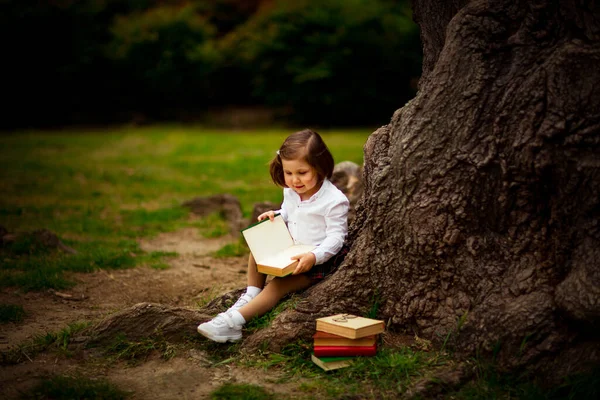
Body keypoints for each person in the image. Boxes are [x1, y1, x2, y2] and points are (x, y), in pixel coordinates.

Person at [197, 129, 350, 342]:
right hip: (292, 249)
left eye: (302, 173)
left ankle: (233, 323)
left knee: (276, 286)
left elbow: (336, 237)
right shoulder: (291, 191)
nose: (294, 180)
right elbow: (289, 211)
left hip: (316, 261)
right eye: (289, 173)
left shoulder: (334, 201)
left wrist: (313, 256)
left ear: (320, 167)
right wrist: (276, 214)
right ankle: (251, 293)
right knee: (257, 247)